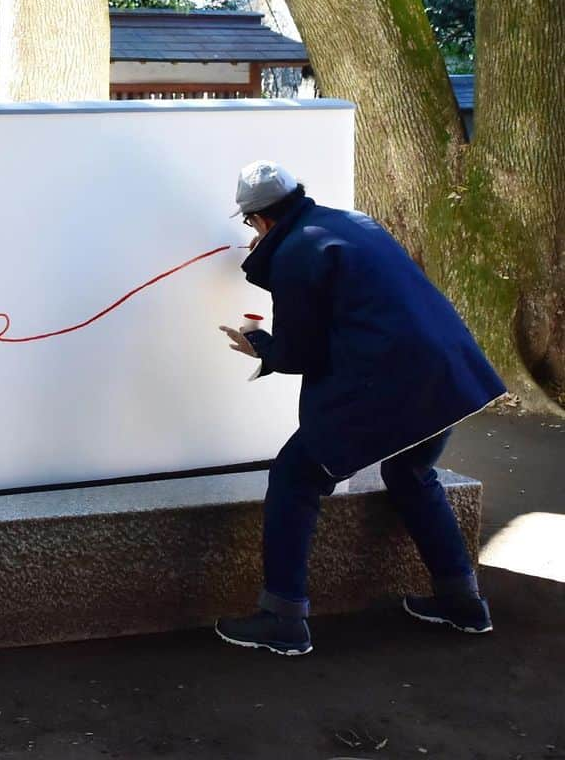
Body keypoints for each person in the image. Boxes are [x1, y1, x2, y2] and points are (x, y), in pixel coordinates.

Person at [214, 160, 506, 656]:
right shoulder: (353, 223)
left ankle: (284, 619)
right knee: (411, 473)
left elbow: (303, 351)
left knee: (295, 477)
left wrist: (260, 345)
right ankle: (463, 601)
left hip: (392, 384)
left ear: (256, 221)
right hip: (449, 373)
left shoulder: (296, 251)